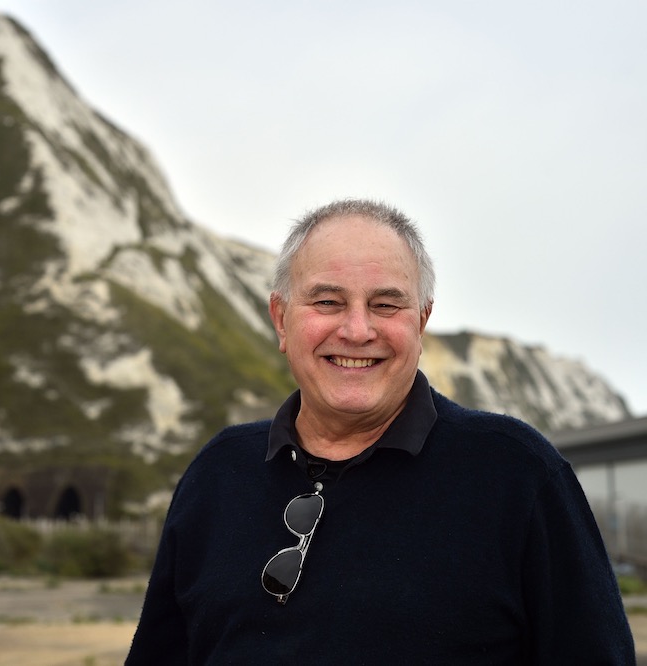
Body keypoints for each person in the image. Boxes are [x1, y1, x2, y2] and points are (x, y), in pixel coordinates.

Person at [126, 199, 635, 664]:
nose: (356, 330)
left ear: (421, 320)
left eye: (386, 305)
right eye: (327, 302)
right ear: (281, 320)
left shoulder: (518, 474)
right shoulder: (218, 473)